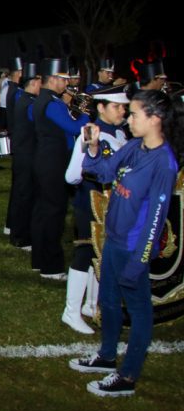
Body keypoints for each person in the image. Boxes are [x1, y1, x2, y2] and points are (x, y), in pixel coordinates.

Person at [69, 89, 182, 396]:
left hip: (134, 248)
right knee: (108, 302)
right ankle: (106, 356)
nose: (129, 119)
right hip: (114, 240)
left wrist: (140, 259)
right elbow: (102, 171)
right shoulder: (135, 147)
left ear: (155, 119)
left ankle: (128, 376)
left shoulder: (164, 163)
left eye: (134, 114)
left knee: (139, 310)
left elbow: (156, 218)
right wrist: (92, 147)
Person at [61, 88, 129, 333]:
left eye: (123, 106)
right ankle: (71, 311)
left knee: (99, 254)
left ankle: (91, 305)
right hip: (89, 202)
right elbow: (71, 176)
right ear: (101, 108)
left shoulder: (119, 132)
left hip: (111, 204)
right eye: (116, 106)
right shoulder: (90, 134)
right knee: (84, 252)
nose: (122, 110)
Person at [31, 58, 88, 280]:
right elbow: (74, 127)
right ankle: (52, 267)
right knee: (54, 213)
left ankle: (40, 260)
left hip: (44, 159)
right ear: (53, 79)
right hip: (53, 162)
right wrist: (84, 112)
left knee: (43, 212)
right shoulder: (52, 103)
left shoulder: (42, 100)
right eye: (64, 80)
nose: (67, 84)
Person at [5, 63, 40, 250]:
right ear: (33, 83)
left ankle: (15, 231)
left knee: (21, 193)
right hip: (26, 153)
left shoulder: (23, 99)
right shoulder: (28, 102)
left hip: (22, 151)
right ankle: (20, 236)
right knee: (24, 195)